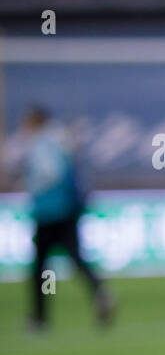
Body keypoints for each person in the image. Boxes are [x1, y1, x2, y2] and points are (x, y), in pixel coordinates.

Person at [16, 105, 114, 330]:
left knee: (43, 267)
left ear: (34, 121)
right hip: (68, 211)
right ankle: (99, 291)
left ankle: (41, 316)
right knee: (76, 259)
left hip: (49, 213)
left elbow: (49, 173)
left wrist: (32, 183)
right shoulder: (62, 140)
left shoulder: (42, 144)